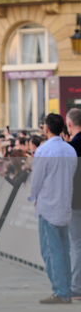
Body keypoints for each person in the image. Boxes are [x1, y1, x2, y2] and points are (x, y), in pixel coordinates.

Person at [30, 113, 77, 304]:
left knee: (51, 250)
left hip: (48, 204)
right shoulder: (70, 150)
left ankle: (61, 290)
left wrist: (34, 197)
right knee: (64, 249)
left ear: (46, 129)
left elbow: (36, 179)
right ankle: (65, 287)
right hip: (65, 204)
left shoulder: (43, 150)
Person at [66, 108, 81, 300]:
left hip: (76, 201)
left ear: (69, 124)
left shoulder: (72, 147)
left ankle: (77, 286)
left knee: (76, 244)